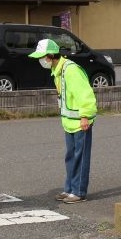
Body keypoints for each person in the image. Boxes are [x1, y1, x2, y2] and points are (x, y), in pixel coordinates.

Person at [29, 38, 97, 204]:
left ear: (51, 56)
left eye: (42, 57)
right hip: (69, 122)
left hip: (81, 122)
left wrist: (85, 116)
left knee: (80, 158)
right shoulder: (57, 71)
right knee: (71, 157)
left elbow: (85, 94)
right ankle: (69, 189)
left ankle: (79, 192)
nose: (41, 60)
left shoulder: (70, 70)